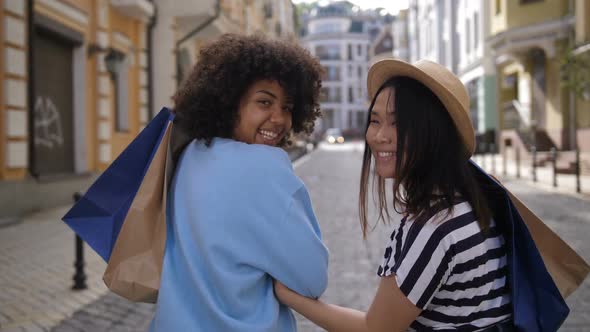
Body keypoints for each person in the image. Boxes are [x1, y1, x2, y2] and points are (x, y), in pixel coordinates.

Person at [274, 59, 514, 331]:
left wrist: (287, 295)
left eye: (397, 124)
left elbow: (376, 329)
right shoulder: (473, 200)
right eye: (375, 120)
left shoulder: (435, 226)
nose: (379, 136)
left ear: (434, 133)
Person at [149, 34, 329, 331]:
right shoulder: (266, 168)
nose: (279, 118)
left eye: (287, 107)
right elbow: (312, 278)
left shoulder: (189, 154)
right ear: (230, 101)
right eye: (264, 102)